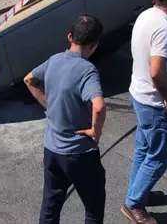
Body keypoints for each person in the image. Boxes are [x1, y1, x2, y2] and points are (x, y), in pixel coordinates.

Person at [24, 15, 107, 224]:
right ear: (94, 46)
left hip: (52, 150)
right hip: (79, 153)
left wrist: (48, 104)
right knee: (93, 208)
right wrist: (94, 132)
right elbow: (98, 105)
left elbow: (29, 79)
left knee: (51, 205)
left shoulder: (54, 60)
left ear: (70, 36)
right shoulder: (87, 70)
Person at [122, 0, 167, 224]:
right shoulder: (164, 28)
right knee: (158, 156)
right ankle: (134, 203)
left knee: (143, 149)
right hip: (154, 103)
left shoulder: (147, 15)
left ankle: (139, 192)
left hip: (138, 95)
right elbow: (157, 70)